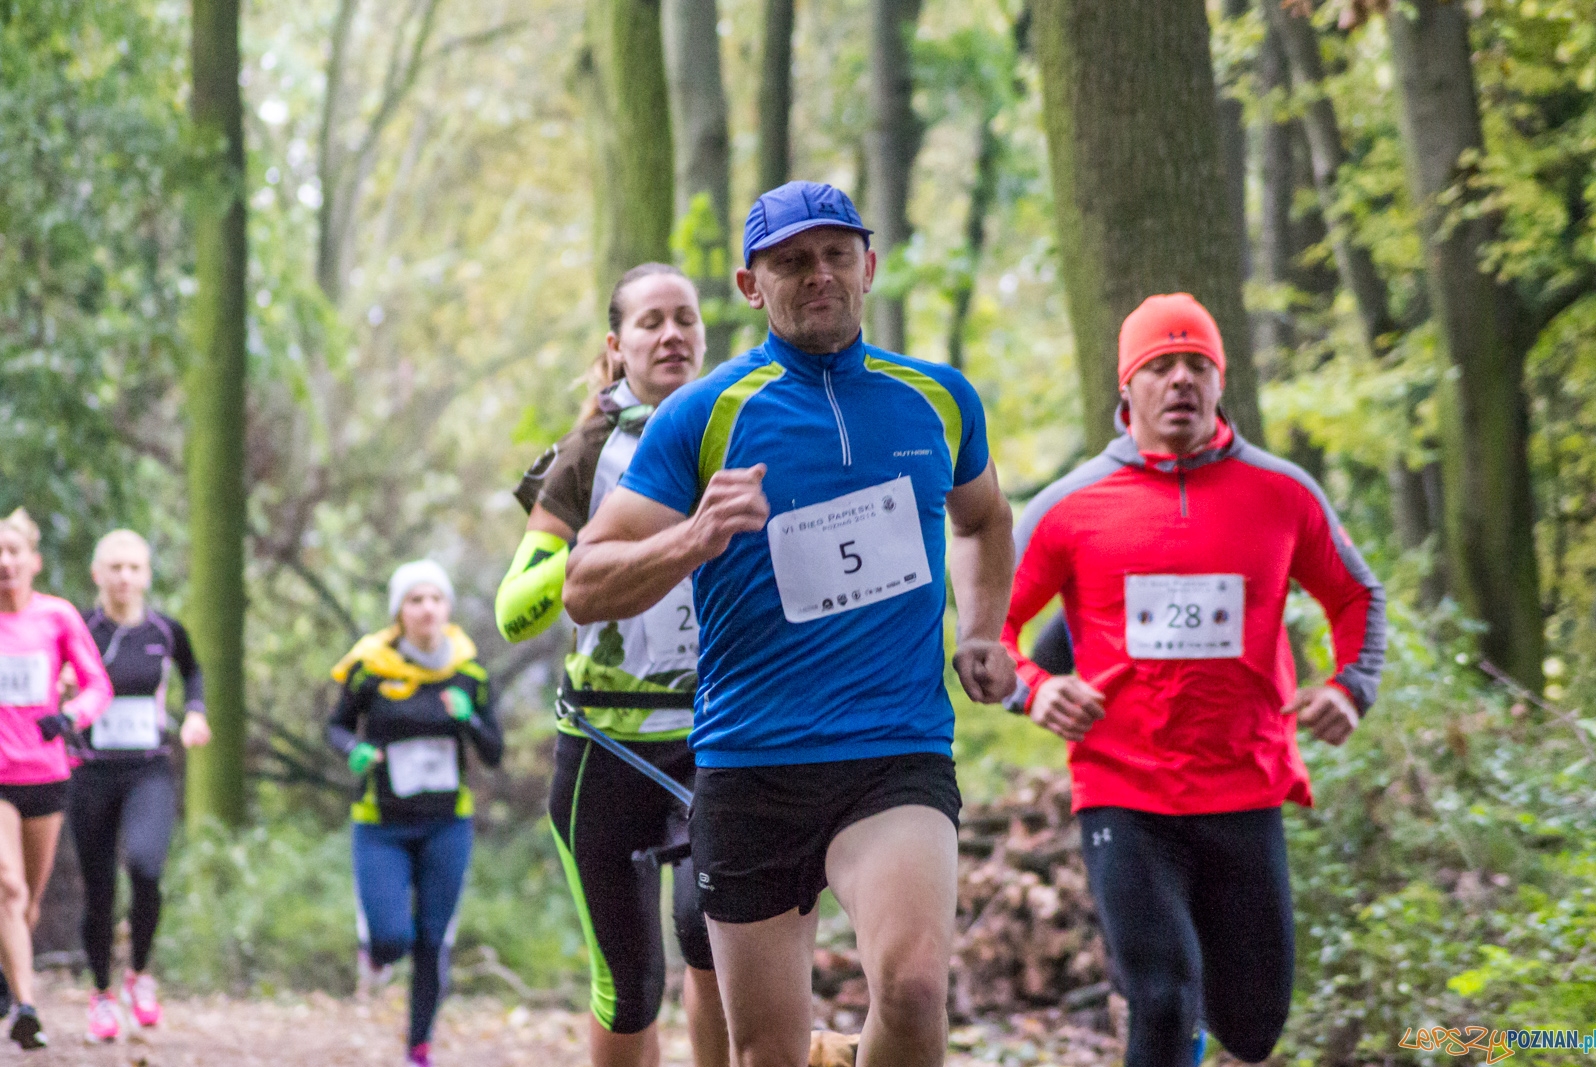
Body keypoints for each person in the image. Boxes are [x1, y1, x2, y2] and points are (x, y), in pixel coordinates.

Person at [563, 181, 1018, 1067]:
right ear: (749, 284)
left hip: (895, 749)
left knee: (917, 987)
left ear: (869, 266)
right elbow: (585, 582)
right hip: (752, 762)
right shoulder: (706, 414)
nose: (818, 275)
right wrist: (694, 537)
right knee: (765, 1054)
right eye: (791, 261)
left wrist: (982, 630)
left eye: (836, 255)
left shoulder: (938, 399)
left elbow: (985, 518)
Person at [1000, 293, 1386, 1067]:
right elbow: (985, 625)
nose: (1180, 380)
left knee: (1255, 1020)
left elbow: (1356, 595)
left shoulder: (1282, 492)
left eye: (1196, 364)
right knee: (1165, 992)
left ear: (1220, 380)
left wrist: (1350, 685)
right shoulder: (1068, 507)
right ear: (1126, 389)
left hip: (1244, 783)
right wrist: (1033, 688)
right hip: (1123, 789)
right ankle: (1155, 1023)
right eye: (1160, 365)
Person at [495, 262, 730, 1067]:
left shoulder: (742, 425)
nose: (672, 334)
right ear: (617, 343)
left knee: (716, 942)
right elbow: (514, 606)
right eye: (651, 321)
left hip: (720, 734)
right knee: (630, 986)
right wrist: (597, 559)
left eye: (686, 319)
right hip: (607, 745)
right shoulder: (587, 449)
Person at [327, 561, 503, 1067]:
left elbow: (494, 753)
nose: (427, 608)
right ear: (399, 612)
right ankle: (376, 951)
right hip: (380, 824)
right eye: (415, 600)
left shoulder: (468, 673)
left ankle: (418, 1048)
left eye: (435, 599)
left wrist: (468, 719)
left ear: (447, 608)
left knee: (432, 939)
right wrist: (352, 751)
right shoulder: (370, 669)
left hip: (448, 824)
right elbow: (336, 727)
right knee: (393, 937)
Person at [68, 530, 211, 1040]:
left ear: (147, 574)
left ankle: (140, 974)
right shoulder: (79, 629)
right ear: (98, 574)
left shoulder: (166, 631)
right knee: (99, 887)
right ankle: (102, 993)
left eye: (134, 568)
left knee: (147, 868)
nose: (125, 577)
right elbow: (52, 679)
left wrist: (195, 714)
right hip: (90, 770)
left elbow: (194, 674)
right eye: (115, 567)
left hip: (148, 767)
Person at [0, 508, 113, 1049]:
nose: (4, 562)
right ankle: (27, 1008)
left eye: (13, 552)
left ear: (33, 562)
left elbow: (98, 685)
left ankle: (7, 975)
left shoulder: (58, 618)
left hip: (45, 773)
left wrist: (72, 717)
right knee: (7, 883)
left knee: (29, 900)